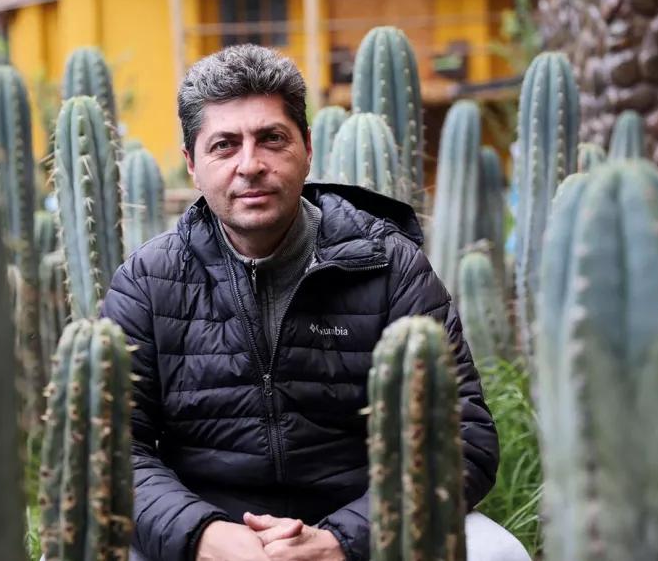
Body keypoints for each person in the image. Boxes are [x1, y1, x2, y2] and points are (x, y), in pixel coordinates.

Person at [101, 44, 524, 561]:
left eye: (271, 139)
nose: (249, 165)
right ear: (192, 164)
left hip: (364, 525)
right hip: (204, 529)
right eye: (224, 145)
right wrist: (201, 534)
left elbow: (463, 437)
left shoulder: (390, 268)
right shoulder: (148, 282)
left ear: (307, 148)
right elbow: (113, 449)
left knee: (497, 553)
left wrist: (340, 540)